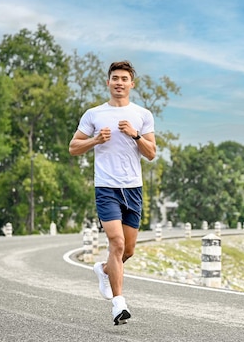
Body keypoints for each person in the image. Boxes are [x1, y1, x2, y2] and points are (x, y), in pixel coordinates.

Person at [69, 60, 156, 325]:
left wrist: (135, 135)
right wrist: (95, 140)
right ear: (108, 82)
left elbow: (151, 153)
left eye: (124, 79)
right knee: (116, 243)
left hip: (134, 188)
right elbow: (73, 147)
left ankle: (104, 270)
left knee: (127, 250)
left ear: (132, 84)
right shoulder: (94, 114)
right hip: (106, 188)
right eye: (114, 78)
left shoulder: (142, 115)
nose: (119, 82)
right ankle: (119, 305)